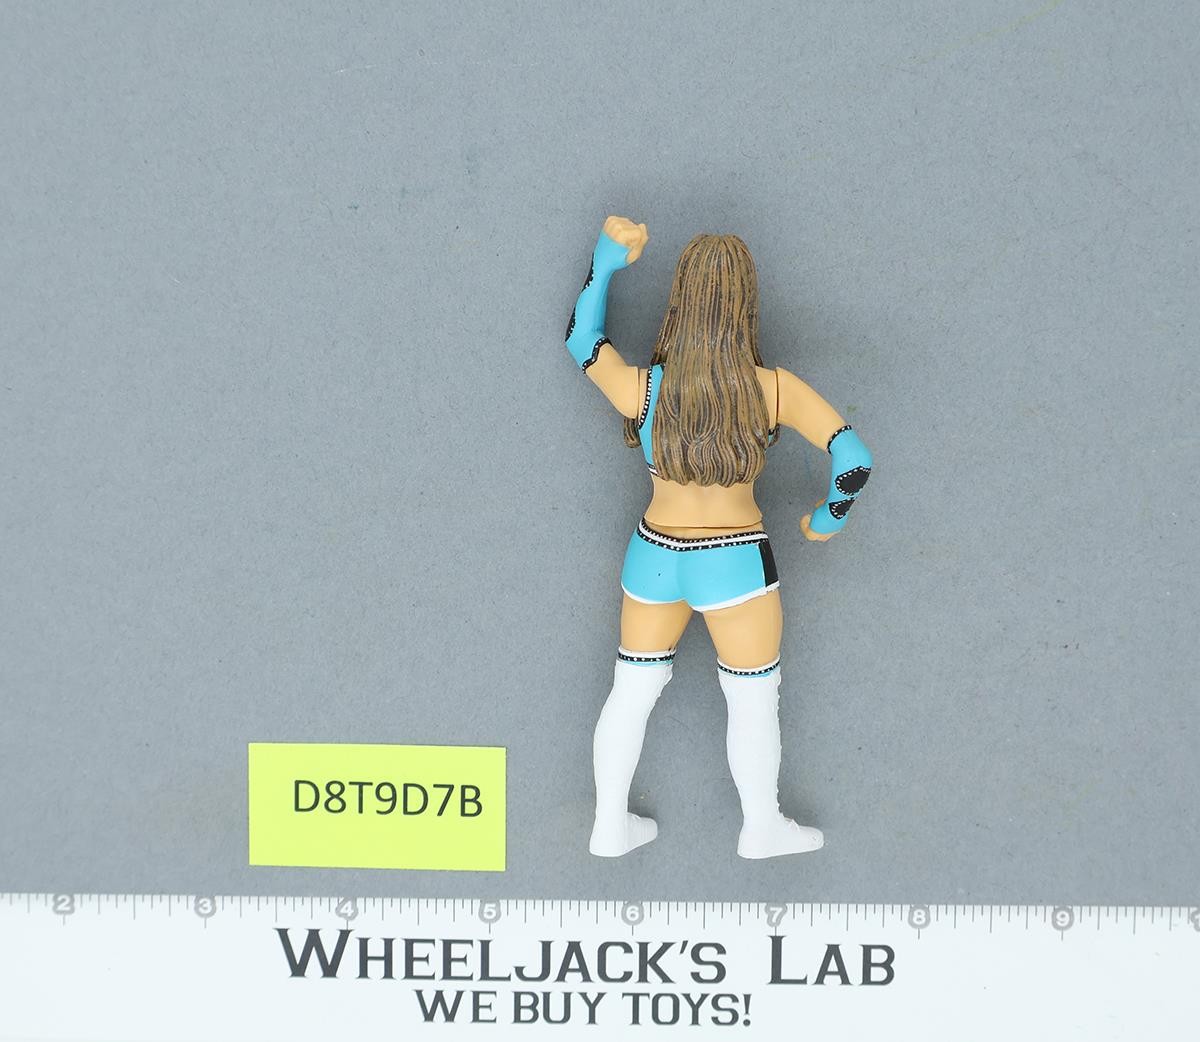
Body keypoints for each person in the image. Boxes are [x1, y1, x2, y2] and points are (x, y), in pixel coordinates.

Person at [564, 216, 872, 859]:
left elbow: (581, 340)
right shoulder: (773, 390)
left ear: (680, 299)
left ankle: (608, 824)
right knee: (753, 700)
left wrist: (605, 262)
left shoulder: (646, 389)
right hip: (734, 563)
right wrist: (829, 516)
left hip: (654, 557)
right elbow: (854, 460)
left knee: (630, 692)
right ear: (745, 304)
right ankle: (761, 826)